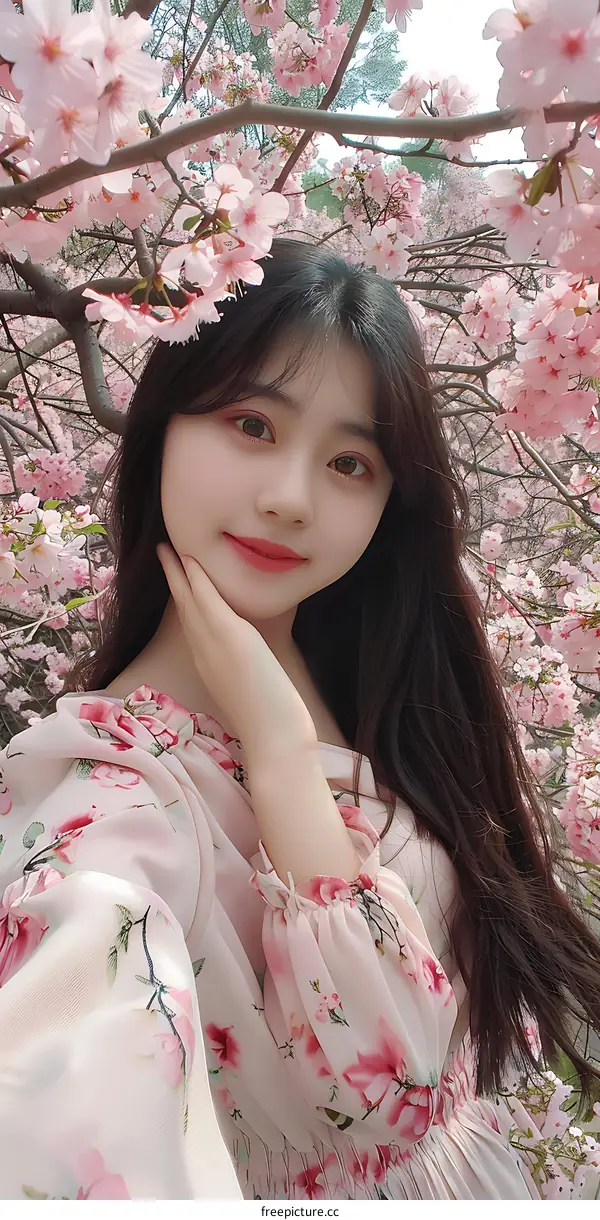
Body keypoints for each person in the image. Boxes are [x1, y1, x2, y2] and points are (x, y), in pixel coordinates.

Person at [0, 238, 599, 1202]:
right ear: (162, 425)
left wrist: (282, 741)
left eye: (351, 462)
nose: (290, 499)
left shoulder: (374, 678)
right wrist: (277, 758)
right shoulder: (105, 811)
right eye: (250, 424)